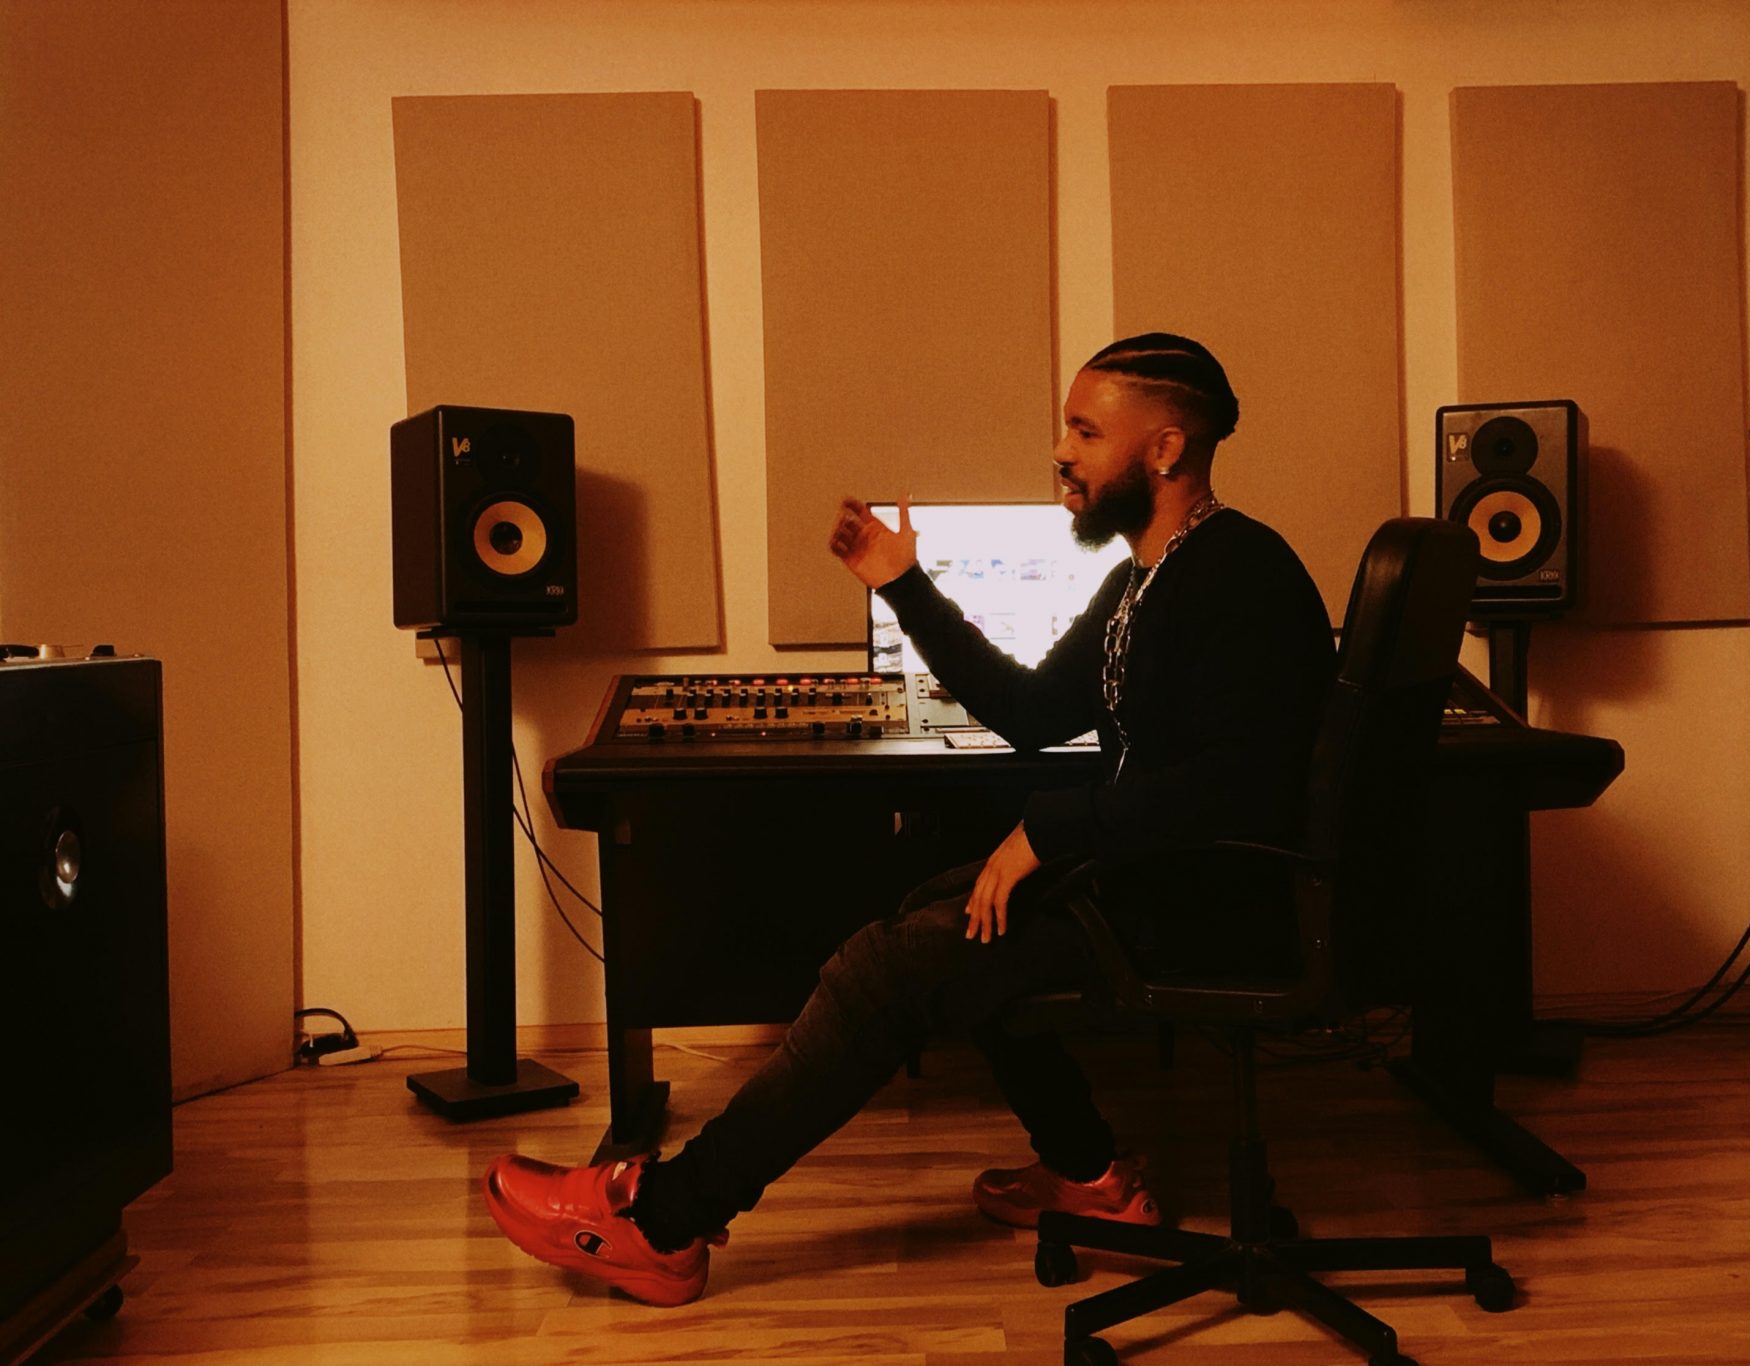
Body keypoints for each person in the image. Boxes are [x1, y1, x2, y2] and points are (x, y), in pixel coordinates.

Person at [480, 333, 1336, 1307]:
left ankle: (662, 1222)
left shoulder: (1242, 573)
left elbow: (1238, 787)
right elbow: (1026, 709)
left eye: (1086, 431)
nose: (1060, 452)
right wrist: (902, 581)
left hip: (1210, 904)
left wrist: (1047, 831)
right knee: (950, 907)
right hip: (1156, 877)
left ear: (1165, 449)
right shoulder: (1142, 577)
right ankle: (1091, 1176)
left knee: (892, 967)